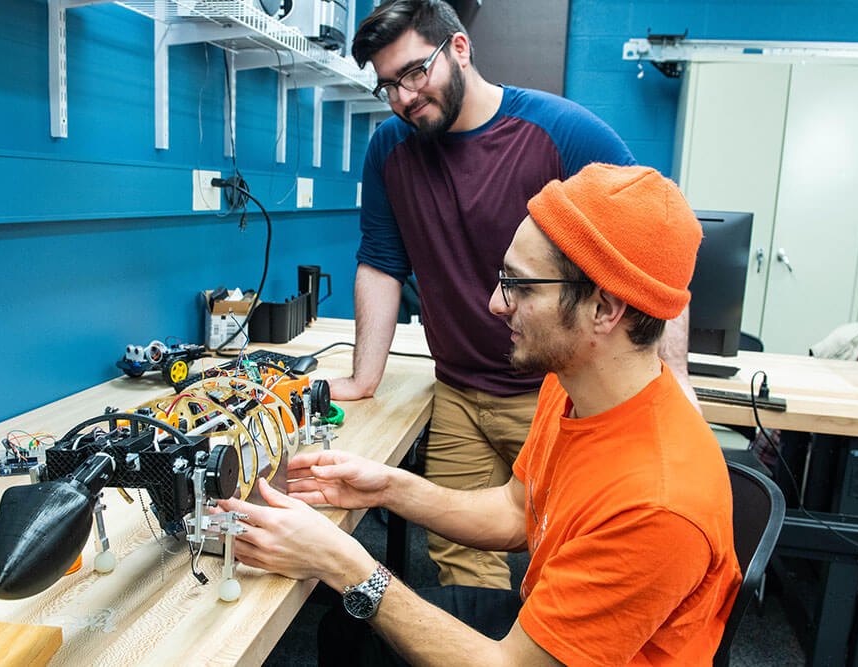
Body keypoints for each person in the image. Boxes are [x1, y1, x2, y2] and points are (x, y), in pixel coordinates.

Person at [220, 164, 741, 666]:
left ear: (604, 309)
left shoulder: (658, 504)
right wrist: (386, 487)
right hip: (544, 626)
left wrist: (344, 563)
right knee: (347, 631)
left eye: (519, 285)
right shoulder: (574, 385)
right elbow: (518, 512)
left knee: (357, 603)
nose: (495, 303)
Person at [330, 0, 697, 590]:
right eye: (387, 85)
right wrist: (363, 377)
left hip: (554, 392)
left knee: (567, 558)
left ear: (459, 49)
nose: (402, 97)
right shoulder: (389, 151)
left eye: (414, 73)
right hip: (458, 390)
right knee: (462, 569)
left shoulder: (561, 131)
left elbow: (651, 252)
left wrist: (673, 380)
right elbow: (380, 262)